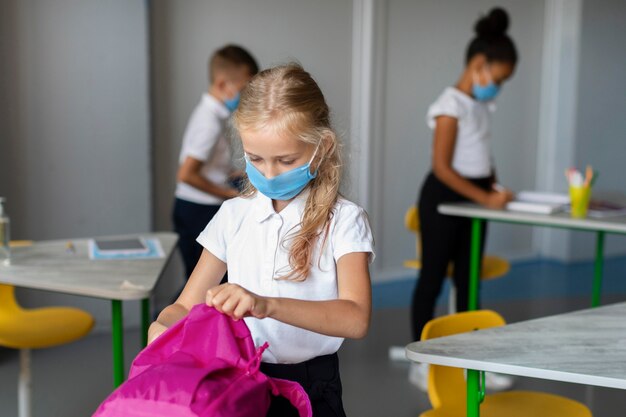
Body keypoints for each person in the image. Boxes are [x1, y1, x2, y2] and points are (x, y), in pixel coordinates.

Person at [150, 63, 375, 417]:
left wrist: (265, 304)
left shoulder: (344, 220)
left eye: (286, 160)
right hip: (240, 380)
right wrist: (163, 326)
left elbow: (355, 318)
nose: (269, 174)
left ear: (322, 145)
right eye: (256, 159)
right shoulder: (233, 215)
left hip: (312, 384)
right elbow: (185, 305)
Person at [409, 8, 517, 391]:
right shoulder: (449, 105)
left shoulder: (482, 106)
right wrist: (484, 200)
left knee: (469, 282)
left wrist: (496, 188)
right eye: (498, 79)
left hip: (473, 198)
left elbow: (482, 158)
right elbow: (442, 168)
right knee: (433, 278)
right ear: (478, 65)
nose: (497, 88)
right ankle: (422, 359)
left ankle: (474, 360)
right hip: (443, 199)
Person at [173, 44, 259, 281]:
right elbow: (186, 174)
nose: (247, 95)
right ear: (223, 84)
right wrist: (229, 194)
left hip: (203, 205)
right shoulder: (208, 122)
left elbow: (213, 166)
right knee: (204, 283)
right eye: (244, 88)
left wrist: (241, 175)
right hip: (197, 209)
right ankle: (171, 318)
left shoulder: (216, 117)